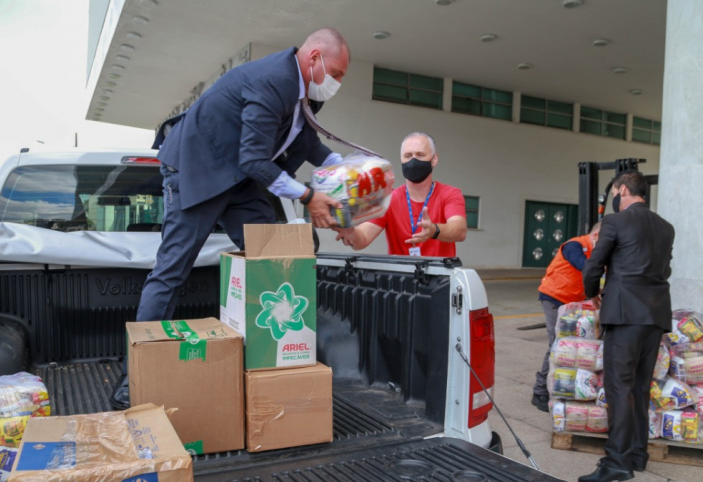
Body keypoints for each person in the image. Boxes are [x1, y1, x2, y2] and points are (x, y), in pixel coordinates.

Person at [137, 28, 349, 322]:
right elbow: (253, 159)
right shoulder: (274, 80)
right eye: (336, 74)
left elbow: (308, 142)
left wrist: (350, 168)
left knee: (268, 253)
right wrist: (308, 196)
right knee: (173, 269)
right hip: (196, 169)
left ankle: (273, 344)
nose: (337, 83)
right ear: (315, 57)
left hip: (235, 176)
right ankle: (141, 365)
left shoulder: (306, 92)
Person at [578, 170, 674, 482]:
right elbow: (665, 268)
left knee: (619, 386)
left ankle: (616, 461)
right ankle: (637, 454)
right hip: (655, 316)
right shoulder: (665, 227)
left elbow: (595, 264)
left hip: (624, 313)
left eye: (615, 194)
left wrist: (592, 292)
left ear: (621, 190)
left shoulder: (615, 222)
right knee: (639, 387)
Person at [334, 132, 467, 256]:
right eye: (408, 156)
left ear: (434, 159)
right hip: (402, 278)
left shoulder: (450, 194)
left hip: (439, 278)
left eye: (420, 155)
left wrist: (434, 230)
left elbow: (459, 230)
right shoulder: (388, 199)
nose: (413, 161)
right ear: (401, 159)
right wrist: (350, 232)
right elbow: (362, 238)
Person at [531, 222, 601, 412]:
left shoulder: (594, 251)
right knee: (557, 344)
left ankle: (564, 385)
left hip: (572, 302)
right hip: (554, 298)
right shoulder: (574, 246)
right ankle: (540, 391)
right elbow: (585, 267)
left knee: (571, 344)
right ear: (595, 236)